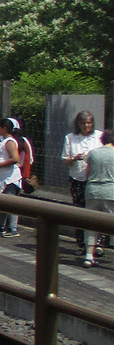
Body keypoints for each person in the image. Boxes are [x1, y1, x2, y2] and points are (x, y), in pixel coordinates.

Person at [62, 110, 102, 254]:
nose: (86, 126)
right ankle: (82, 243)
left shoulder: (99, 136)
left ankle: (97, 244)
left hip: (95, 179)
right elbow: (65, 160)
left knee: (97, 210)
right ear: (78, 124)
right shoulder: (70, 138)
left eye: (89, 123)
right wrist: (74, 158)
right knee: (80, 210)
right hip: (77, 178)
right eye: (83, 123)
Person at [81, 129, 114, 267]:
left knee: (91, 223)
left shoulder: (93, 153)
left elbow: (86, 174)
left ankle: (88, 256)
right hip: (111, 192)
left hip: (92, 191)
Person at [0, 118, 23, 237]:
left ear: (4, 128)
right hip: (0, 177)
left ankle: (13, 228)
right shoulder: (3, 141)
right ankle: (0, 226)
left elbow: (15, 158)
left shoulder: (10, 142)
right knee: (2, 203)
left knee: (10, 203)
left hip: (9, 178)